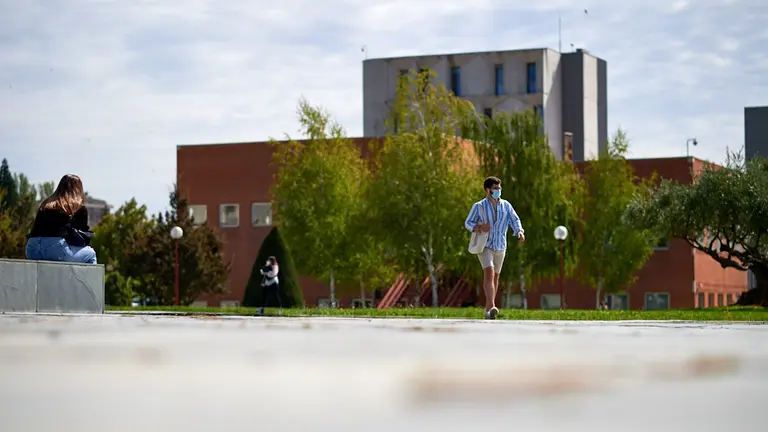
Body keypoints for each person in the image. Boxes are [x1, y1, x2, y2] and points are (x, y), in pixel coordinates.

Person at [464, 176, 525, 320]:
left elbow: (514, 219)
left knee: (496, 277)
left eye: (499, 188)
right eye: (495, 188)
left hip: (501, 246)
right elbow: (468, 222)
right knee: (489, 272)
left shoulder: (506, 205)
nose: (498, 191)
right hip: (485, 246)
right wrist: (478, 227)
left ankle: (487, 310)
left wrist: (519, 231)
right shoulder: (479, 206)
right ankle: (492, 305)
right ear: (487, 190)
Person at [25, 174, 97, 264]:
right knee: (91, 254)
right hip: (56, 248)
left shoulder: (46, 204)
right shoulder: (77, 206)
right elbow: (82, 237)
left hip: (32, 248)